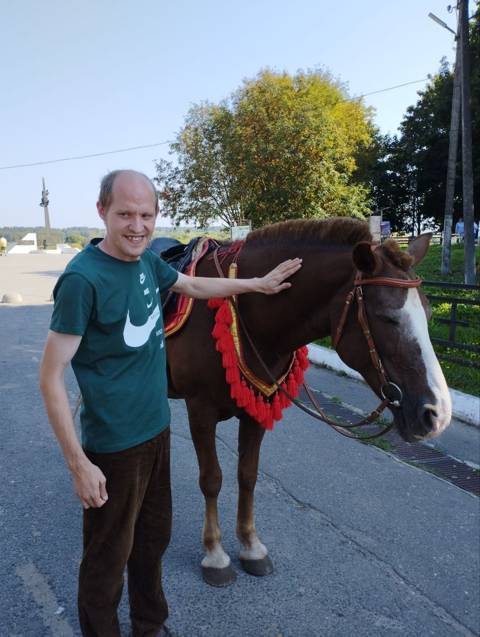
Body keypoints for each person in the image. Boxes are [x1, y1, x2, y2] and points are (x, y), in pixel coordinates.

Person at [39, 169, 302, 637]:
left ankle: (150, 626)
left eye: (147, 214)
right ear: (102, 211)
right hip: (114, 446)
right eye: (125, 214)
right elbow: (50, 376)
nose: (138, 226)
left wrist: (256, 285)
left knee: (152, 542)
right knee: (107, 558)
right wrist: (78, 464)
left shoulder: (146, 263)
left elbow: (194, 286)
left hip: (157, 432)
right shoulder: (82, 280)